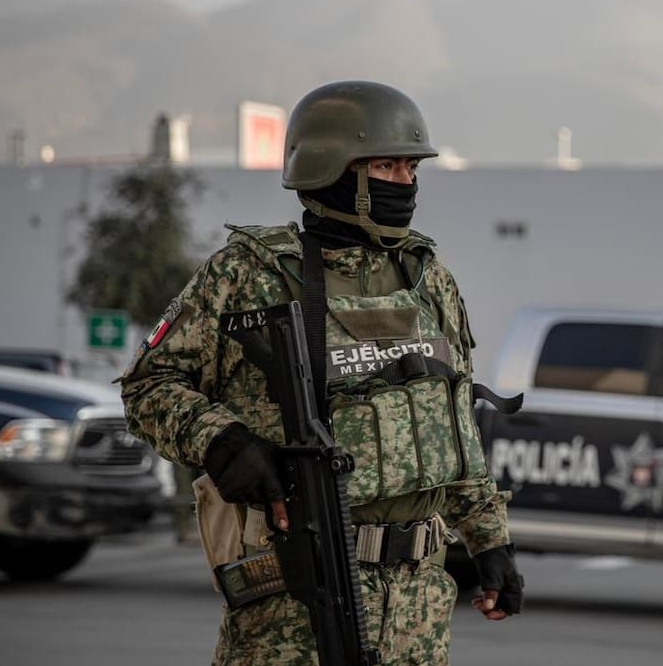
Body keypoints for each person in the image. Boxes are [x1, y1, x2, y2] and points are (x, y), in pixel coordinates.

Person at [120, 80, 523, 666]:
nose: (406, 184)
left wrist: (490, 541)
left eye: (411, 167)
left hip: (419, 611)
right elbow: (147, 386)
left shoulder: (427, 280)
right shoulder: (249, 274)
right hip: (295, 599)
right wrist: (225, 442)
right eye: (386, 166)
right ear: (333, 169)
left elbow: (452, 425)